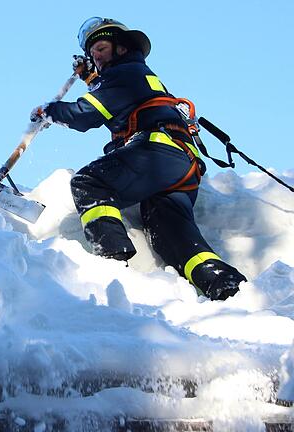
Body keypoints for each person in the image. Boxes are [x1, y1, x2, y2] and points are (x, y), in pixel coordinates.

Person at [30, 17, 246, 301]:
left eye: (102, 48)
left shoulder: (125, 74)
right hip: (179, 165)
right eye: (93, 52)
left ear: (121, 48)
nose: (96, 55)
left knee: (90, 183)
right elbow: (112, 94)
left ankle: (111, 258)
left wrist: (49, 110)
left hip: (157, 152)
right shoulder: (134, 74)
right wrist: (90, 78)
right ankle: (231, 290)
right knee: (176, 243)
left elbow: (87, 113)